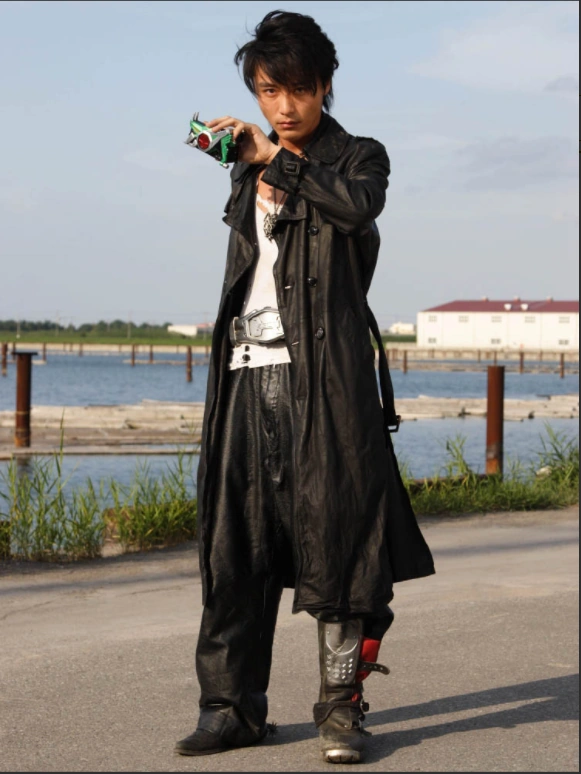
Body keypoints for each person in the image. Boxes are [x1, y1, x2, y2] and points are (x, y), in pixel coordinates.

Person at [175, 9, 435, 764]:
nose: (282, 107)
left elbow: (356, 208)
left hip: (327, 385)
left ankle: (340, 712)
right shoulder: (248, 163)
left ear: (324, 85)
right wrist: (244, 159)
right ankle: (230, 710)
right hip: (243, 377)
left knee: (342, 546)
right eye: (267, 91)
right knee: (235, 548)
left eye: (296, 89)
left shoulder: (358, 157)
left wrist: (277, 162)